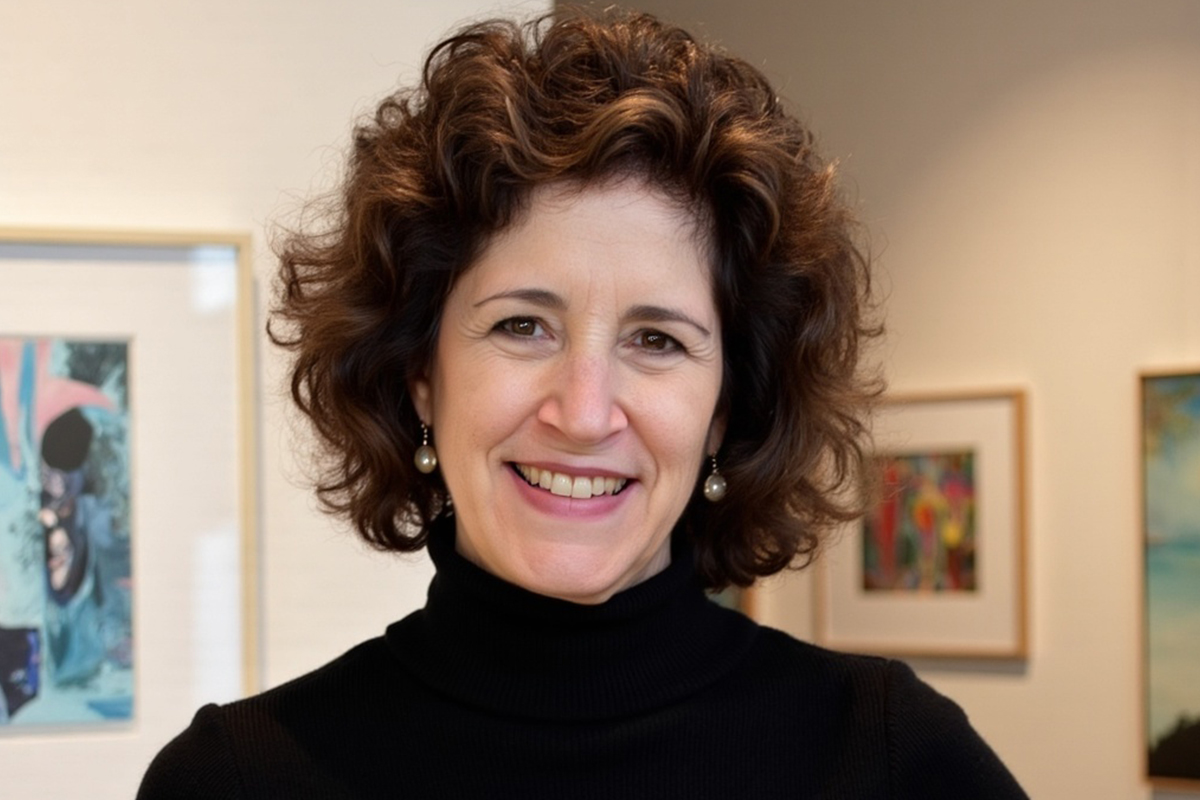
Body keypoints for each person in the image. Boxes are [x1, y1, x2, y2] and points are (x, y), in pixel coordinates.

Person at [139, 8, 1027, 798]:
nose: (584, 410)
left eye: (657, 340)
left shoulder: (891, 760)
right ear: (418, 371)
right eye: (524, 325)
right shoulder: (236, 781)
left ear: (725, 410)